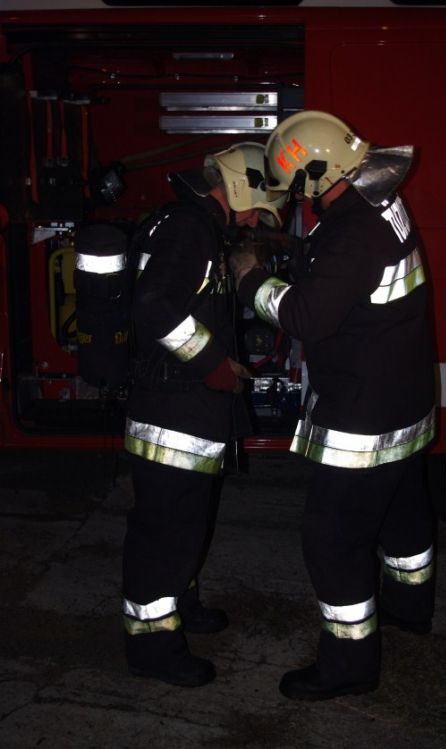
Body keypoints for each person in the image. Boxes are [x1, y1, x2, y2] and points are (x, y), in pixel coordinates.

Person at [230, 111, 437, 701]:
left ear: (319, 174)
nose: (297, 197)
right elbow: (351, 280)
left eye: (298, 186)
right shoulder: (379, 202)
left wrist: (250, 279)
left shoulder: (353, 232)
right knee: (402, 517)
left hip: (362, 418)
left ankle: (349, 667)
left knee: (333, 539)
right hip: (404, 402)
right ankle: (410, 609)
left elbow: (306, 317)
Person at [122, 142, 284, 688]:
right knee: (164, 533)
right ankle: (153, 648)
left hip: (185, 409)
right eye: (257, 208)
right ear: (237, 187)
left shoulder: (199, 228)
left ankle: (181, 602)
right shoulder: (190, 231)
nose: (256, 221)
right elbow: (155, 307)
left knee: (186, 524)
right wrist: (213, 362)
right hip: (172, 411)